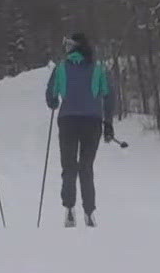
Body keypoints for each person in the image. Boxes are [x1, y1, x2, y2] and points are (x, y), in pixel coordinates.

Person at [44, 32, 114, 227]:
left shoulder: (61, 68)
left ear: (73, 47)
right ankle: (89, 212)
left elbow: (50, 94)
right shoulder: (99, 68)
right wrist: (108, 123)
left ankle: (69, 209)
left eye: (68, 44)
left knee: (69, 166)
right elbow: (109, 95)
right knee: (86, 166)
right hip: (92, 121)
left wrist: (53, 102)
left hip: (67, 121)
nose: (65, 47)